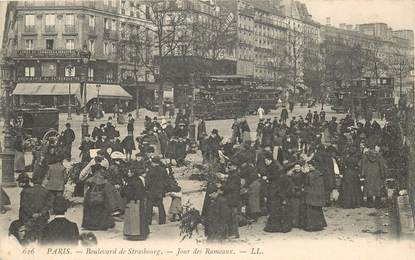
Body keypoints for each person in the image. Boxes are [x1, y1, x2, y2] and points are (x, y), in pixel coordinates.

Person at [82, 163, 115, 231]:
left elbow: (85, 188)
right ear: (99, 170)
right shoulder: (103, 179)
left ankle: (90, 225)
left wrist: (85, 196)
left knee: (89, 209)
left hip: (90, 195)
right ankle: (102, 225)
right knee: (103, 209)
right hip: (101, 195)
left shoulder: (90, 179)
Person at [263, 161, 293, 233]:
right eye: (291, 170)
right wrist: (284, 198)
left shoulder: (282, 177)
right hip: (281, 197)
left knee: (277, 212)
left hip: (278, 196)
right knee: (282, 212)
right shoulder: (285, 178)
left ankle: (276, 227)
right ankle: (283, 228)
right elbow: (283, 189)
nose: (292, 172)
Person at [121, 166, 150, 241]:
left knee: (134, 219)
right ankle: (142, 233)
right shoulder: (138, 180)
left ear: (132, 173)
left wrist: (124, 187)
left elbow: (126, 193)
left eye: (129, 172)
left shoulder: (131, 182)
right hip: (139, 201)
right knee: (140, 218)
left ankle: (134, 234)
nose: (128, 173)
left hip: (133, 202)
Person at [20, 174, 50, 242]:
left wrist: (32, 214)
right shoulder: (46, 191)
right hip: (42, 218)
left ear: (32, 182)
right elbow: (48, 205)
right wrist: (40, 214)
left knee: (31, 236)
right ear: (42, 181)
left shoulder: (26, 192)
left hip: (30, 218)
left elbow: (24, 206)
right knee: (41, 236)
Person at [300, 162, 327, 232]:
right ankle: (311, 225)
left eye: (311, 166)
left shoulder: (318, 174)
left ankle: (315, 226)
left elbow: (316, 185)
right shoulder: (310, 173)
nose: (310, 167)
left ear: (315, 166)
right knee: (310, 211)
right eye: (309, 166)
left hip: (314, 195)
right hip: (310, 194)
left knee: (314, 210)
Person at [146, 156, 169, 225]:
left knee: (149, 206)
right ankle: (162, 220)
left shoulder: (151, 170)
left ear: (154, 163)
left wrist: (147, 187)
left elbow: (148, 181)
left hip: (152, 190)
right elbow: (166, 180)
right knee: (160, 205)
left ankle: (148, 221)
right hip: (160, 191)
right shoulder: (163, 170)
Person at [223, 162, 241, 239]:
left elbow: (231, 187)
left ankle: (234, 233)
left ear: (235, 167)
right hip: (232, 197)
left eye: (231, 165)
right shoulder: (233, 175)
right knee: (231, 215)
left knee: (232, 215)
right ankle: (232, 233)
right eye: (229, 165)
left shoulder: (234, 176)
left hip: (232, 198)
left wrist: (222, 186)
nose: (229, 167)